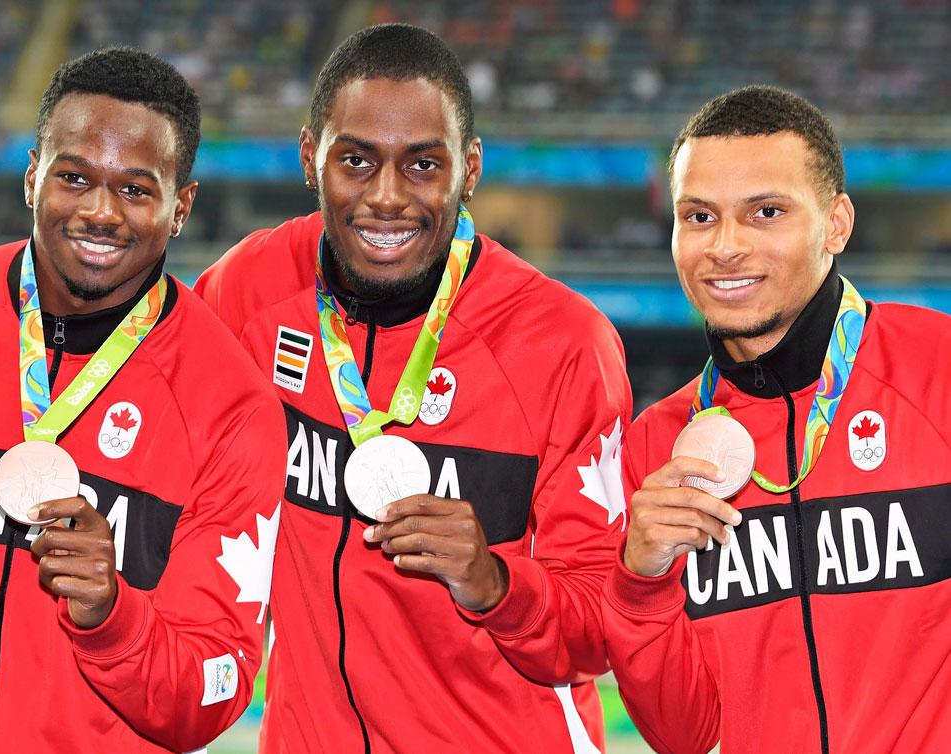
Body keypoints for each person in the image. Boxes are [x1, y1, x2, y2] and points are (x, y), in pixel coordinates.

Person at [195, 24, 632, 753]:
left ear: (471, 167)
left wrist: (495, 582)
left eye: (423, 165)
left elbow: (604, 630)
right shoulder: (247, 290)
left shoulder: (562, 345)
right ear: (311, 158)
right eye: (357, 162)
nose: (387, 198)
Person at [0, 48, 285, 753]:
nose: (99, 212)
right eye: (74, 178)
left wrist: (114, 614)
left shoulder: (232, 409)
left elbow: (219, 685)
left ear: (182, 207)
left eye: (136, 190)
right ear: (31, 177)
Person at [604, 85, 951, 753]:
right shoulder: (656, 446)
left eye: (766, 212)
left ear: (836, 223)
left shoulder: (936, 373)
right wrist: (639, 581)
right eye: (699, 217)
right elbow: (686, 732)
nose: (725, 247)